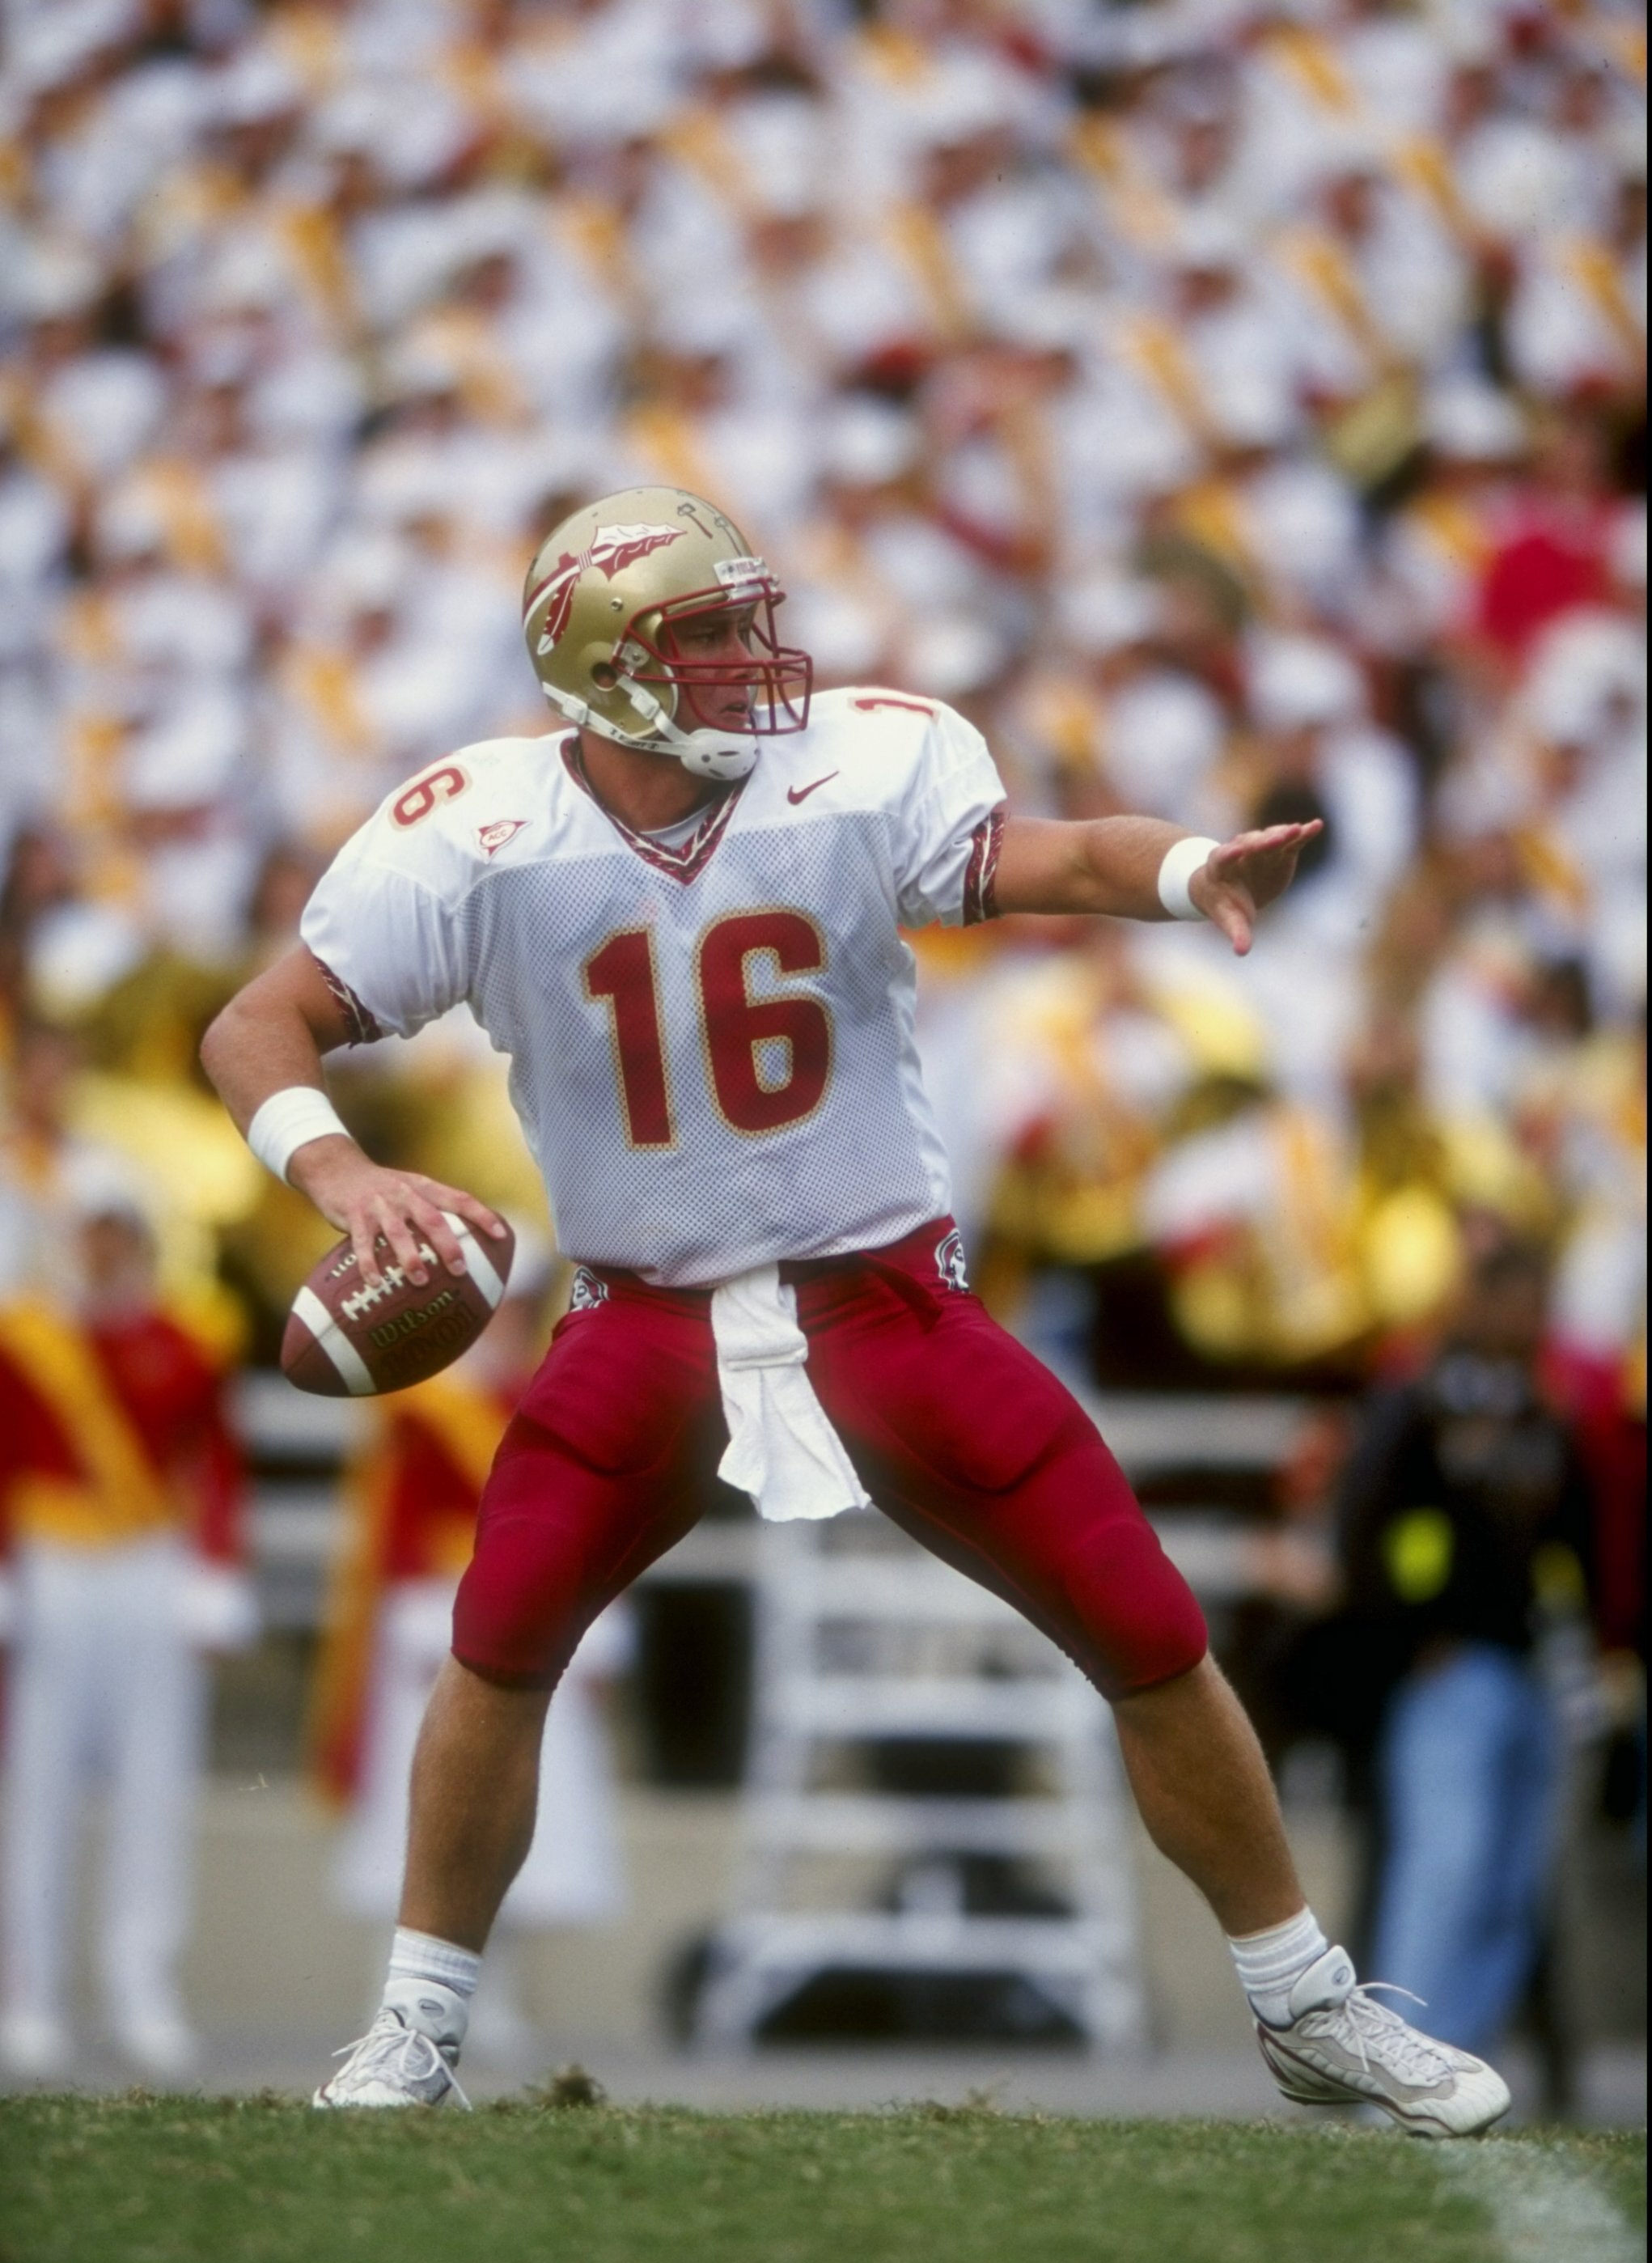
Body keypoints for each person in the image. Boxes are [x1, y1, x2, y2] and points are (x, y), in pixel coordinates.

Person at [201, 485, 1510, 2133]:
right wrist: (339, 1179)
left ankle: (1306, 2005)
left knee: (1145, 1627)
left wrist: (1183, 870)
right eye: (710, 635)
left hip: (883, 1302)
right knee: (499, 1639)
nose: (758, 660)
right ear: (600, 667)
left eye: (752, 620)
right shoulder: (474, 830)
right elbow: (258, 1023)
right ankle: (412, 2028)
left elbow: (1054, 856)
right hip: (641, 1321)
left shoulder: (852, 767)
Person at [311, 1251, 629, 2059]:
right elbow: (388, 1533)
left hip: (535, 1618)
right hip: (439, 1625)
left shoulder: (552, 1395)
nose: (509, 1320)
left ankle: (499, 1995)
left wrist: (594, 1625)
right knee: (417, 1821)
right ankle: (393, 2001)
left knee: (522, 1815)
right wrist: (412, 1623)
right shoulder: (423, 1406)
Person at [0, 1180, 255, 2079]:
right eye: (90, 1235)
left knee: (156, 1786)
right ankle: (27, 1993)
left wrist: (216, 1574)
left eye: (119, 1234)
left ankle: (142, 1985)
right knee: (37, 1786)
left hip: (150, 1564)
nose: (103, 1252)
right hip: (53, 1564)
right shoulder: (25, 1341)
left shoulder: (190, 1342)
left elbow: (218, 1463)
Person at [1335, 1238, 1597, 2059]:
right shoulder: (1420, 1401)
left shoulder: (1538, 1410)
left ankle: (1463, 2055)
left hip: (1527, 1667)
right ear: (1476, 1303)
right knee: (1442, 1870)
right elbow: (1365, 1526)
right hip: (1450, 1673)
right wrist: (1414, 1631)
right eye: (1517, 1301)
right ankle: (1403, 2058)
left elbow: (1572, 1536)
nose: (1530, 1320)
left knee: (1510, 1884)